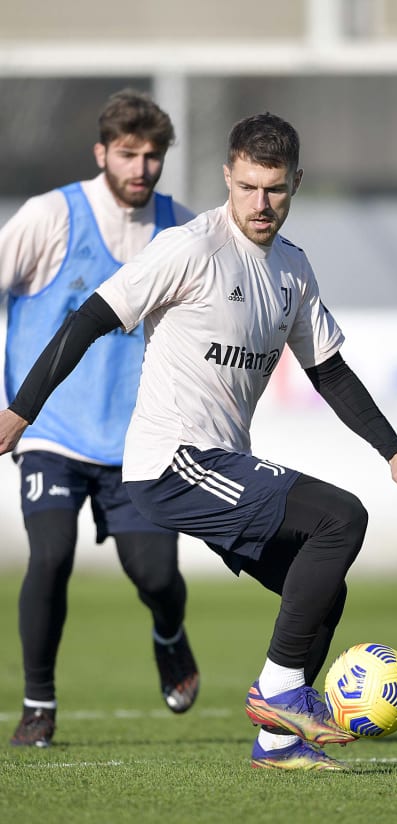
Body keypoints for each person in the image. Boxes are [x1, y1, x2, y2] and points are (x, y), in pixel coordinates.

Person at [0, 111, 397, 771]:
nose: (260, 203)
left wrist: (395, 450)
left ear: (295, 182)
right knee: (341, 519)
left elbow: (328, 371)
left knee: (324, 588)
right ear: (228, 177)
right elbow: (88, 318)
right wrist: (20, 411)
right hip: (171, 464)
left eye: (274, 189)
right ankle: (278, 695)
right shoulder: (189, 247)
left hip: (221, 462)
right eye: (248, 187)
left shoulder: (293, 271)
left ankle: (276, 743)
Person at [1, 89, 200, 749]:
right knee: (50, 555)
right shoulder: (50, 217)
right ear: (101, 153)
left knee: (157, 577)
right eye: (128, 154)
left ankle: (169, 636)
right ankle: (38, 707)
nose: (142, 168)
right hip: (50, 429)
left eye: (153, 155)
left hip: (141, 443)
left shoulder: (184, 232)